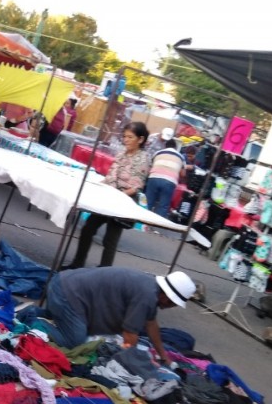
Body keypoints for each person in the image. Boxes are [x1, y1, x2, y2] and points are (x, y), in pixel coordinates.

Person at [37, 268, 197, 363]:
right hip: (65, 293)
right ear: (167, 297)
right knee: (75, 341)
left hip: (64, 285)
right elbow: (130, 335)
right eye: (172, 303)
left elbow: (151, 324)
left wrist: (163, 355)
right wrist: (132, 360)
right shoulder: (147, 297)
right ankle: (34, 319)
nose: (168, 307)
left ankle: (43, 314)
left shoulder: (151, 288)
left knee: (80, 331)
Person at [63, 121, 150, 268]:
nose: (126, 140)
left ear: (140, 139)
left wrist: (117, 197)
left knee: (110, 239)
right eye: (124, 136)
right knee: (88, 228)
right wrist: (96, 185)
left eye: (130, 137)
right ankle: (77, 263)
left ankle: (103, 272)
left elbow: (135, 187)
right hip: (108, 197)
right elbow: (110, 176)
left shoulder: (143, 159)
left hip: (123, 201)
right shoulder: (121, 153)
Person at [145, 138, 185, 219]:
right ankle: (156, 228)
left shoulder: (158, 153)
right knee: (163, 205)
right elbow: (183, 174)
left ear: (165, 146)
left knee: (148, 202)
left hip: (154, 178)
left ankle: (140, 222)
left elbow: (151, 166)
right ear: (175, 147)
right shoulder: (181, 156)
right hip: (170, 181)